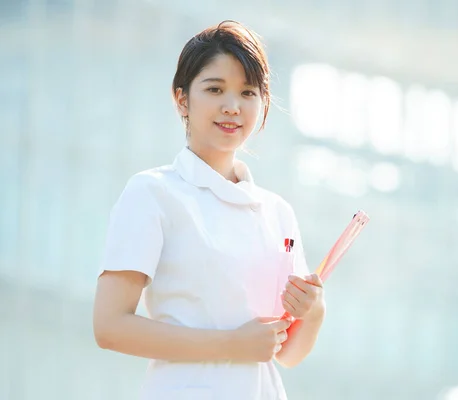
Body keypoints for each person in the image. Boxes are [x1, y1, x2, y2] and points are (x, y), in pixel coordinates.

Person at [92, 20, 326, 400]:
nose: (232, 107)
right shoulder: (152, 193)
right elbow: (109, 326)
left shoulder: (277, 212)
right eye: (215, 89)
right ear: (181, 98)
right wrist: (231, 345)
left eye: (248, 92)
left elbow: (286, 353)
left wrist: (314, 312)